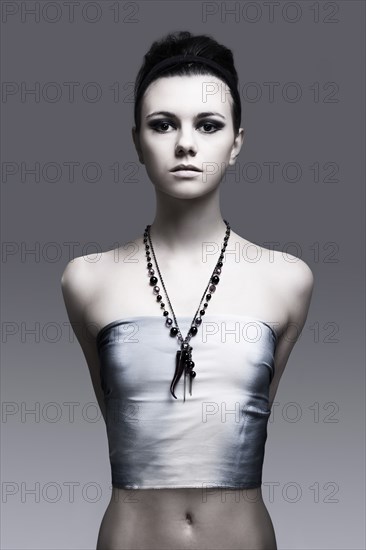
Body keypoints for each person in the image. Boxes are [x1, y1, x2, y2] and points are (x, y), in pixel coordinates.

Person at [61, 31, 314, 550]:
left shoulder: (287, 279)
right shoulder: (86, 279)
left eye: (208, 125)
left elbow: (254, 411)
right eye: (162, 125)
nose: (185, 143)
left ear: (237, 142)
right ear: (137, 141)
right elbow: (116, 413)